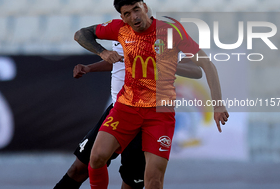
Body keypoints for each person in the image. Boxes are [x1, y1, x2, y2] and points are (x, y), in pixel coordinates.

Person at [74, 0, 229, 189]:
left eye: (136, 9)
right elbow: (81, 34)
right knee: (96, 158)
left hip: (159, 114)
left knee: (153, 180)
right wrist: (102, 52)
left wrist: (217, 105)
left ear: (145, 7)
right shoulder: (119, 28)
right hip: (126, 108)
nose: (134, 17)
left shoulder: (170, 31)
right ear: (122, 17)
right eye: (127, 14)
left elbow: (206, 65)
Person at [54, 39, 203, 189]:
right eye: (125, 14)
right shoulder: (122, 31)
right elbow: (86, 38)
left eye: (134, 13)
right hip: (119, 110)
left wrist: (163, 64)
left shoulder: (164, 33)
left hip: (148, 116)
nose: (132, 17)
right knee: (78, 169)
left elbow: (196, 70)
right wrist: (90, 67)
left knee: (131, 184)